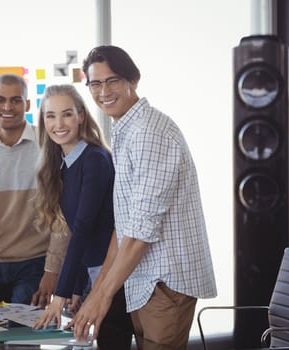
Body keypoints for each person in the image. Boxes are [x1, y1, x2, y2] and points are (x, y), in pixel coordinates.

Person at [72, 45, 217, 349]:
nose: (103, 91)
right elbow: (123, 227)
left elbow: (139, 233)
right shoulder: (127, 130)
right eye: (95, 84)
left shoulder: (148, 134)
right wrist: (96, 295)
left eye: (112, 80)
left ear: (133, 80)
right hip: (143, 281)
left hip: (163, 281)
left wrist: (103, 297)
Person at [32, 84, 134, 349]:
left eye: (66, 114)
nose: (58, 123)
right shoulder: (64, 165)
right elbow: (78, 236)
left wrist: (61, 294)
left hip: (114, 276)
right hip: (92, 274)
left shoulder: (95, 159)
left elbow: (84, 229)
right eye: (50, 116)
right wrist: (77, 288)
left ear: (81, 116)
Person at [0, 74, 68, 309]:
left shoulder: (49, 144)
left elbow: (62, 213)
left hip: (36, 264)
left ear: (28, 105)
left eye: (16, 100)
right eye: (0, 100)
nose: (7, 107)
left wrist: (52, 269)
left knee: (22, 341)